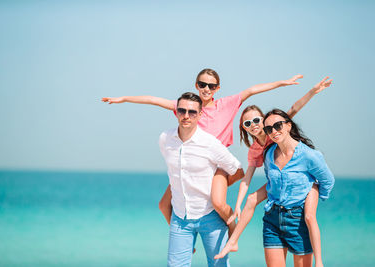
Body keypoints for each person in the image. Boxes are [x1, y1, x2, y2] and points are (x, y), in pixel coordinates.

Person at [102, 68, 303, 235]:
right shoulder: (189, 108)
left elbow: (252, 90)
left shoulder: (227, 104)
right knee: (164, 206)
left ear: (217, 88)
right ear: (197, 85)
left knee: (217, 201)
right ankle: (185, 239)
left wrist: (283, 83)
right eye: (203, 84)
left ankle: (232, 230)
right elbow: (153, 99)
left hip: (218, 165)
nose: (207, 88)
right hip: (192, 165)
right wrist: (124, 99)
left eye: (212, 85)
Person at [214, 77, 332, 267]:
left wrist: (312, 90)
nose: (253, 125)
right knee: (251, 199)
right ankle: (233, 240)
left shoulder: (276, 129)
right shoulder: (255, 149)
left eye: (256, 120)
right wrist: (237, 205)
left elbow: (294, 108)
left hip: (292, 185)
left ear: (264, 120)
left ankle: (319, 260)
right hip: (275, 185)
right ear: (244, 129)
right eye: (247, 124)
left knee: (309, 217)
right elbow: (246, 179)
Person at [159, 92, 244, 266]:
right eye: (182, 111)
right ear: (176, 112)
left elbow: (237, 170)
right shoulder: (165, 139)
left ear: (200, 114)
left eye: (192, 112)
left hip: (210, 216)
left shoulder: (210, 143)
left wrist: (220, 182)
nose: (186, 116)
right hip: (180, 217)